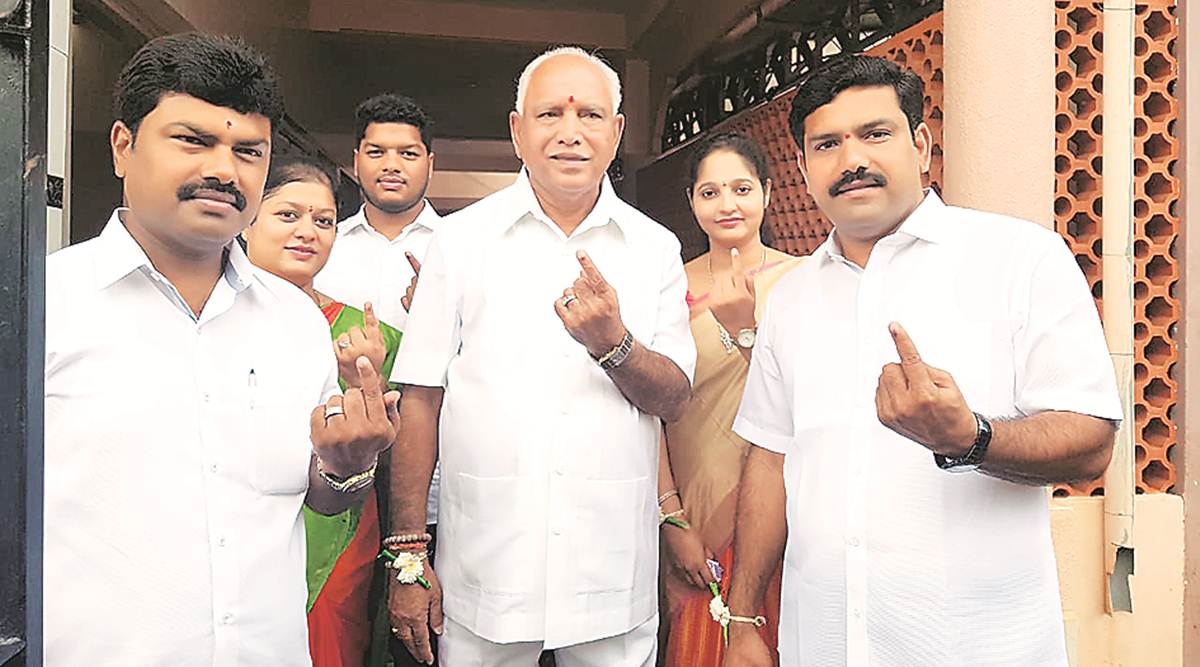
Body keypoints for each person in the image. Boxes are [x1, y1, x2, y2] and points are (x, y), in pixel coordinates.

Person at [721, 55, 1123, 667]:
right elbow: (771, 458)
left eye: (875, 134)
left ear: (922, 146)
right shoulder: (791, 297)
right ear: (803, 170)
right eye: (827, 144)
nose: (851, 160)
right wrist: (745, 616)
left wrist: (970, 438)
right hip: (823, 645)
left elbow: (1091, 443)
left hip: (978, 649)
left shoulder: (1021, 259)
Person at [43, 33, 399, 666]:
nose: (224, 171)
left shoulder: (296, 321)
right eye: (192, 140)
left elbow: (320, 497)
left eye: (248, 151)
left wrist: (348, 463)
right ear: (123, 146)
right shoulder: (41, 306)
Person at [385, 46, 696, 667]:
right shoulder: (460, 240)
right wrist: (408, 551)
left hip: (610, 569)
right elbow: (420, 398)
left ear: (617, 133)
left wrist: (614, 344)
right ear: (517, 130)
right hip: (487, 567)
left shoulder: (654, 247)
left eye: (590, 115)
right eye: (550, 114)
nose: (570, 133)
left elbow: (674, 397)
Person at [242, 156, 404, 667]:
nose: (307, 232)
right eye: (288, 215)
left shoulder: (373, 335)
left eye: (324, 220)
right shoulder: (204, 314)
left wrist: (366, 381)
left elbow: (391, 456)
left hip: (336, 527)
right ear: (247, 221)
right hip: (238, 523)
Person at [657, 133, 799, 667]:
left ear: (767, 192)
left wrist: (745, 332)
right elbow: (649, 411)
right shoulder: (668, 288)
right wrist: (672, 518)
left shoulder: (803, 281)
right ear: (692, 202)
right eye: (710, 192)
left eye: (741, 189)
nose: (727, 204)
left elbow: (809, 399)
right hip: (694, 508)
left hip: (783, 507)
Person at [311, 93, 443, 666]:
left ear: (430, 162)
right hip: (339, 468)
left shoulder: (459, 250)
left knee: (424, 632)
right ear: (356, 160)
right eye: (377, 151)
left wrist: (440, 320)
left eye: (407, 153)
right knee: (344, 621)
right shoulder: (322, 243)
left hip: (432, 473)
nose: (392, 165)